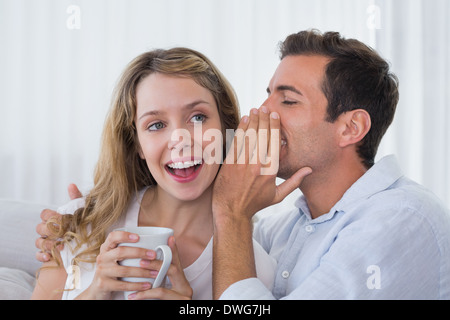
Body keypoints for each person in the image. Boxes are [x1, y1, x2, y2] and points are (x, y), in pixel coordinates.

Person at [212, 30, 450, 299]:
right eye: (268, 96)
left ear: (351, 127)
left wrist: (230, 212)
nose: (261, 111)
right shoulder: (284, 229)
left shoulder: (402, 219)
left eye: (288, 100)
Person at [31, 47, 276, 300]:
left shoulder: (253, 270)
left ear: (226, 130)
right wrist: (95, 293)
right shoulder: (78, 226)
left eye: (198, 117)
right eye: (156, 125)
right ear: (136, 143)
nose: (179, 139)